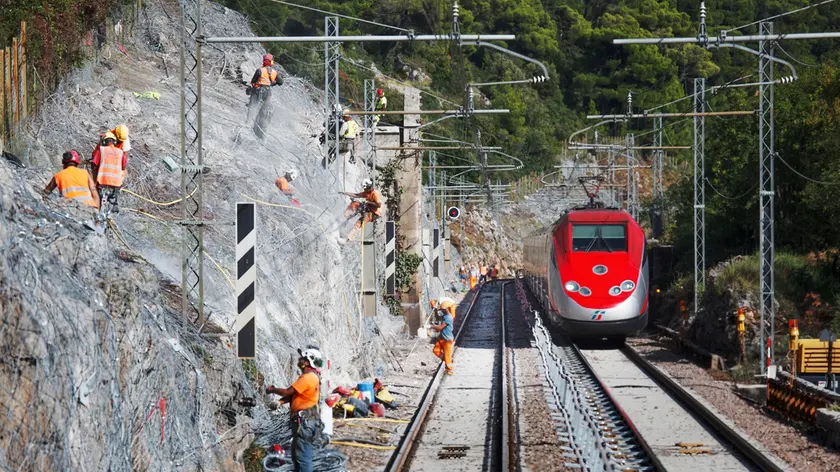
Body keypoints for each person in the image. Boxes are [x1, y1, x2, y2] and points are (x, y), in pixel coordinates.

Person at [266, 346, 325, 472]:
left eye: (302, 359)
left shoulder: (308, 377)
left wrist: (272, 389)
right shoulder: (312, 376)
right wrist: (281, 402)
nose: (300, 361)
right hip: (307, 421)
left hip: (304, 422)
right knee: (297, 455)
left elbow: (287, 391)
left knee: (303, 457)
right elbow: (296, 395)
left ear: (308, 361)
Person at [91, 131, 127, 216]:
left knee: (96, 198)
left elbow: (94, 165)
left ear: (104, 142)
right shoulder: (120, 152)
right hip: (116, 185)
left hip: (102, 182)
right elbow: (124, 167)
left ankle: (96, 216)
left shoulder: (101, 150)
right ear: (114, 142)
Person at [246, 53, 283, 131]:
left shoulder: (259, 70)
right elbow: (281, 82)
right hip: (267, 93)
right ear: (271, 62)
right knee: (265, 110)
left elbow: (253, 82)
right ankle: (261, 126)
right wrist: (273, 83)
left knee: (252, 106)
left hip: (257, 91)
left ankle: (248, 123)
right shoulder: (274, 72)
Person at [428, 302, 455, 375]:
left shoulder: (449, 317)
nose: (442, 311)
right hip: (442, 338)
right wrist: (435, 309)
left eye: (443, 309)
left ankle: (450, 370)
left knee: (447, 355)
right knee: (436, 350)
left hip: (447, 340)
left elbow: (440, 327)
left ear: (447, 309)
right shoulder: (445, 315)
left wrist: (430, 326)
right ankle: (447, 360)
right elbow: (438, 317)